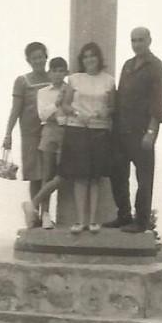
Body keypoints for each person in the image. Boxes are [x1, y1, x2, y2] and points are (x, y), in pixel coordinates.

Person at [105, 27, 162, 234]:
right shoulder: (128, 65)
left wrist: (151, 132)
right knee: (117, 173)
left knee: (144, 178)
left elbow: (158, 102)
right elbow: (120, 95)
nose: (137, 44)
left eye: (141, 40)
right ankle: (124, 215)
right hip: (121, 129)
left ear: (149, 40)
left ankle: (141, 221)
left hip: (142, 131)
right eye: (133, 40)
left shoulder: (157, 67)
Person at [58, 42, 115, 234]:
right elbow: (65, 104)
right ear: (82, 60)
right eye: (86, 56)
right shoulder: (74, 79)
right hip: (77, 129)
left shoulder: (108, 80)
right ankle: (80, 221)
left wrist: (102, 113)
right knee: (80, 177)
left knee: (94, 177)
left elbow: (112, 107)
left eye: (93, 55)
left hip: (99, 130)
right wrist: (77, 113)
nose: (90, 59)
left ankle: (92, 221)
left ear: (99, 58)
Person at [2, 42, 50, 213]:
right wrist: (8, 134)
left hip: (50, 132)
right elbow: (15, 110)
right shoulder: (22, 81)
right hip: (30, 134)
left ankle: (45, 213)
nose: (38, 61)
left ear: (46, 57)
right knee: (35, 176)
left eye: (41, 57)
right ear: (28, 60)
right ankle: (35, 215)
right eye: (34, 58)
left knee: (48, 175)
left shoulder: (53, 77)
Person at [23, 57, 69, 230]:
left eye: (61, 71)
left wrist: (59, 115)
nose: (58, 74)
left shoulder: (70, 89)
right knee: (47, 175)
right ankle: (46, 215)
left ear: (66, 72)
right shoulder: (43, 92)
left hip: (67, 133)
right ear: (50, 73)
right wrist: (57, 104)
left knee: (64, 174)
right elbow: (43, 115)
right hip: (49, 132)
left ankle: (33, 203)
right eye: (54, 71)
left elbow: (70, 113)